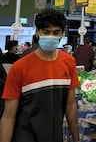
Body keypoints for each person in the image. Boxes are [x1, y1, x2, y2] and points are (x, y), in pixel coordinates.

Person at [0, 9, 79, 142]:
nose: (51, 36)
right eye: (46, 32)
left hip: (54, 135)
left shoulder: (69, 62)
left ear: (62, 34)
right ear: (37, 32)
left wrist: (76, 138)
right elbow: (8, 116)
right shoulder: (19, 68)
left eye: (56, 32)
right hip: (25, 136)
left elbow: (70, 104)